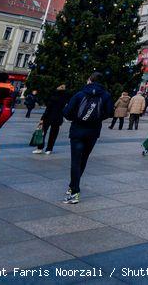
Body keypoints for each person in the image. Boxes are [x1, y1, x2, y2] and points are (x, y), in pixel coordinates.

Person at [62, 72, 113, 204]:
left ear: (90, 80)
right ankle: (72, 186)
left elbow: (67, 113)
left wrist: (77, 118)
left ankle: (74, 190)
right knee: (83, 159)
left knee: (75, 160)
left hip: (77, 131)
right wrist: (96, 118)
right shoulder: (106, 95)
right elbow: (109, 113)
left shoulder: (80, 94)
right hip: (93, 132)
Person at [35, 84, 69, 155]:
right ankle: (49, 149)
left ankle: (40, 148)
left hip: (48, 117)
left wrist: (42, 118)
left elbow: (48, 109)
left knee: (43, 133)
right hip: (58, 118)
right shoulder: (65, 98)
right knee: (53, 134)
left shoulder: (53, 97)